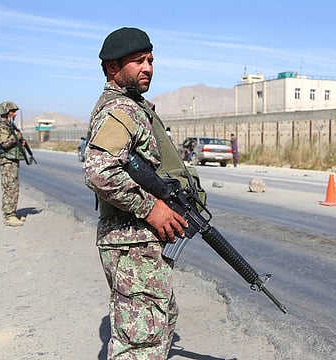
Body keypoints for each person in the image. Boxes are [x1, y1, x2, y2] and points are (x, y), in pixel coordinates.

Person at [83, 27, 205, 359]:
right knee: (141, 339)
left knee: (158, 324)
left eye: (150, 60)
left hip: (138, 242)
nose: (148, 67)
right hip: (131, 239)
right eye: (138, 60)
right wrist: (152, 208)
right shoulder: (122, 110)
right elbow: (98, 170)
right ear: (112, 67)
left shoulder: (133, 106)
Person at [0, 101, 26, 226]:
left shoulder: (9, 125)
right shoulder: (1, 126)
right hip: (7, 161)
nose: (15, 114)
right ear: (6, 112)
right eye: (13, 111)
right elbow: (5, 143)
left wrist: (19, 142)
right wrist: (16, 137)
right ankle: (9, 216)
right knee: (9, 187)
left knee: (13, 187)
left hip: (12, 160)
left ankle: (12, 213)